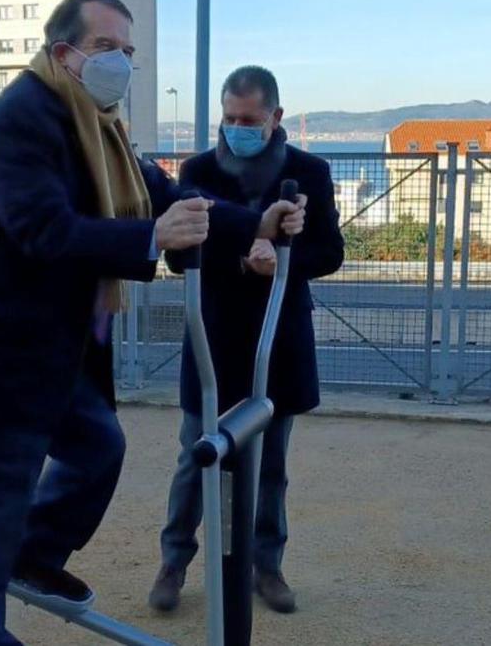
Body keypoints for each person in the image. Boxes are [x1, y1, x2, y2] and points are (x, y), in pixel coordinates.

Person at [0, 0, 306, 646]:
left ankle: (32, 552)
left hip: (47, 351)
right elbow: (44, 231)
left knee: (98, 447)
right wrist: (151, 237)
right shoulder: (21, 121)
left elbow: (169, 193)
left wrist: (252, 224)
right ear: (64, 53)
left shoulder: (97, 121)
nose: (121, 63)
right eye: (106, 49)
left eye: (128, 52)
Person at [148, 66, 345, 615]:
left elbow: (330, 252)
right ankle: (173, 562)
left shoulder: (310, 172)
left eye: (248, 120)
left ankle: (268, 566)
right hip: (213, 332)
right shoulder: (198, 170)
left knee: (270, 461)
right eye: (229, 118)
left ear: (275, 118)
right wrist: (241, 254)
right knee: (195, 455)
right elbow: (176, 251)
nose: (236, 127)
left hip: (277, 336)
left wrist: (282, 260)